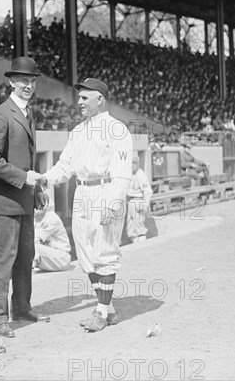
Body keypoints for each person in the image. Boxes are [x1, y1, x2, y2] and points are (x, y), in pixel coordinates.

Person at [38, 78, 133, 333]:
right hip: (82, 193)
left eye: (84, 97)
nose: (79, 102)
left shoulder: (117, 130)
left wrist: (113, 204)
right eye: (79, 97)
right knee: (86, 257)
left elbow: (123, 174)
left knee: (105, 253)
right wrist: (45, 178)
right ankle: (110, 309)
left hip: (105, 190)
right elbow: (64, 166)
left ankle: (101, 312)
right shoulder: (78, 131)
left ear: (99, 99)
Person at [0, 56, 50, 338]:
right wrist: (24, 179)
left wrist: (37, 188)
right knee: (3, 261)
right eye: (23, 81)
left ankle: (21, 308)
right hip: (5, 202)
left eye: (32, 81)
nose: (28, 86)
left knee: (26, 256)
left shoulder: (27, 113)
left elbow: (27, 159)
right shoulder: (1, 114)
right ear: (11, 81)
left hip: (24, 199)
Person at [32, 198, 72, 272]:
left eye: (38, 205)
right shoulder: (35, 218)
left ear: (46, 206)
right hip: (49, 256)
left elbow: (34, 239)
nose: (35, 208)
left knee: (30, 245)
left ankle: (28, 269)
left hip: (61, 257)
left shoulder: (51, 218)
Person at [126, 154, 153, 243]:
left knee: (139, 226)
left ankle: (142, 245)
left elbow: (148, 191)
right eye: (131, 163)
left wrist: (145, 204)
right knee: (130, 227)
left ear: (138, 163)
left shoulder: (140, 174)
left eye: (134, 163)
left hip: (138, 200)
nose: (132, 165)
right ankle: (135, 245)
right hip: (130, 201)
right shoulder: (130, 174)